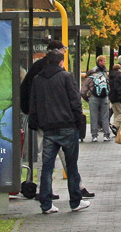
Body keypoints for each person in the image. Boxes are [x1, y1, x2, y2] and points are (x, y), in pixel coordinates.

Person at [29, 48, 91, 214]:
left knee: (47, 168)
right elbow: (75, 101)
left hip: (47, 128)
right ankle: (75, 201)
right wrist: (79, 122)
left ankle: (46, 204)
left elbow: (33, 103)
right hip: (67, 126)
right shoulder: (66, 77)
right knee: (71, 166)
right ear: (61, 62)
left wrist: (35, 123)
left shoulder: (37, 79)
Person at [81, 54, 113, 141]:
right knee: (105, 117)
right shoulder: (104, 76)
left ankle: (94, 135)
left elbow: (83, 91)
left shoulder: (89, 78)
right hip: (104, 98)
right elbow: (109, 88)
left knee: (94, 116)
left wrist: (87, 98)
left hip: (93, 98)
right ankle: (106, 135)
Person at [108, 62, 121, 135]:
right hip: (120, 97)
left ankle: (117, 130)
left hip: (112, 98)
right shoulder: (120, 76)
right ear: (119, 69)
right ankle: (115, 125)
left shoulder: (111, 76)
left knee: (116, 114)